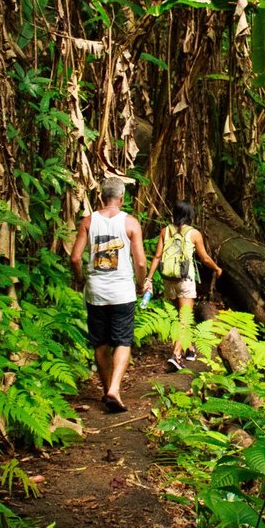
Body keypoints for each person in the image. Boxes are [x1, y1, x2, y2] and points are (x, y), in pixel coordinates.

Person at [70, 177, 147, 413]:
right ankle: (114, 389)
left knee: (100, 342)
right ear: (122, 199)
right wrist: (140, 284)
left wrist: (82, 279)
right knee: (123, 341)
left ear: (101, 197)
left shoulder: (88, 221)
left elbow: (74, 258)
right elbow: (141, 262)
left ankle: (107, 391)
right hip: (122, 291)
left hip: (96, 292)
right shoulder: (131, 223)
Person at [143, 200, 222, 371]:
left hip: (168, 279)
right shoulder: (194, 234)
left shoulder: (166, 231)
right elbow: (205, 258)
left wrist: (149, 278)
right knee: (185, 319)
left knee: (176, 318)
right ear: (190, 215)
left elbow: (157, 256)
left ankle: (188, 348)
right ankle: (176, 355)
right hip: (185, 279)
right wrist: (216, 268)